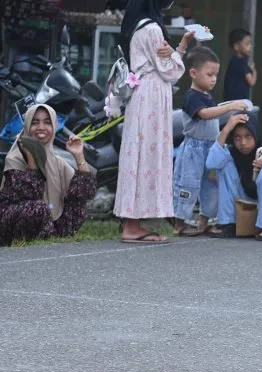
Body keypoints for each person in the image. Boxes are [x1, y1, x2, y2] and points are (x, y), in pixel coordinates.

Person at [114, 0, 193, 244]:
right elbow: (169, 70)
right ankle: (133, 226)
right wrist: (182, 47)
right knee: (149, 156)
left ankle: (132, 222)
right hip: (152, 96)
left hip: (141, 95)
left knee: (137, 155)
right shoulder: (153, 29)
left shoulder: (137, 26)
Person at [173, 46, 251, 237]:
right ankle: (179, 223)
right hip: (194, 149)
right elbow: (205, 114)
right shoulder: (191, 96)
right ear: (193, 73)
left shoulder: (208, 96)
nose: (214, 79)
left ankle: (204, 222)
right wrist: (231, 106)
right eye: (210, 74)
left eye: (216, 74)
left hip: (210, 148)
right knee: (188, 185)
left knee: (211, 186)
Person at [0, 105, 96, 247]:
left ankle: (53, 234)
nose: (41, 127)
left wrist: (78, 156)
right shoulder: (15, 158)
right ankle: (40, 237)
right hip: (10, 223)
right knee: (38, 208)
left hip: (41, 217)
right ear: (27, 126)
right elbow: (28, 196)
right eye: (34, 122)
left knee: (78, 204)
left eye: (47, 122)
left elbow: (85, 192)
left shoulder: (55, 161)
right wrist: (32, 160)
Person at [206, 113, 262, 242]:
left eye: (248, 136)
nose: (243, 143)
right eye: (237, 138)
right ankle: (228, 224)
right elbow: (212, 163)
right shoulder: (233, 152)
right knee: (224, 165)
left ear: (256, 134)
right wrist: (226, 129)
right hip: (245, 209)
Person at [224, 28, 257, 102]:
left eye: (250, 43)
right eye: (247, 44)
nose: (250, 46)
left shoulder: (233, 60)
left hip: (230, 100)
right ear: (236, 46)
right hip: (239, 102)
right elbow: (251, 82)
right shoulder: (242, 62)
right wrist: (254, 71)